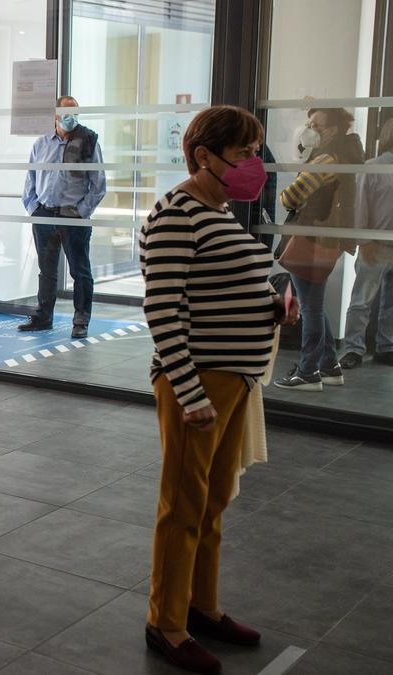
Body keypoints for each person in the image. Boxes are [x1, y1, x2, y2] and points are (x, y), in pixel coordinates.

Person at [139, 105, 297, 674]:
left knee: (213, 503)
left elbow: (234, 278)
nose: (255, 163)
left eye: (257, 151)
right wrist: (189, 391)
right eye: (244, 152)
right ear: (203, 155)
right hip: (198, 383)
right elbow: (162, 308)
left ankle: (201, 607)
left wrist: (274, 302)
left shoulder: (219, 211)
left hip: (234, 380)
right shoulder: (177, 214)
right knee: (183, 506)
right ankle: (166, 623)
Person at [274, 108, 364, 390]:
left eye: (317, 125)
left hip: (311, 239)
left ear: (334, 131)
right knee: (316, 304)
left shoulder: (325, 159)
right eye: (309, 123)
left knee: (311, 307)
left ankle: (308, 372)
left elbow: (291, 197)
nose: (310, 128)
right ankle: (329, 365)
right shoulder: (343, 157)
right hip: (326, 240)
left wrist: (285, 195)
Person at [20, 96, 107, 339]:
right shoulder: (41, 144)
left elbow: (98, 185)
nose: (72, 118)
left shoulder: (88, 143)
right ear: (55, 115)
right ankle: (43, 317)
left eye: (75, 113)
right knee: (46, 271)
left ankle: (81, 320)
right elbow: (30, 180)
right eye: (67, 113)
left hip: (73, 218)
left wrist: (80, 212)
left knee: (80, 271)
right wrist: (34, 208)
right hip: (45, 215)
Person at [339, 118, 393, 369]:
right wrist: (364, 241)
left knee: (391, 303)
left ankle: (387, 346)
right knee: (362, 301)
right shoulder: (372, 167)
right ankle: (352, 350)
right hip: (376, 245)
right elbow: (360, 206)